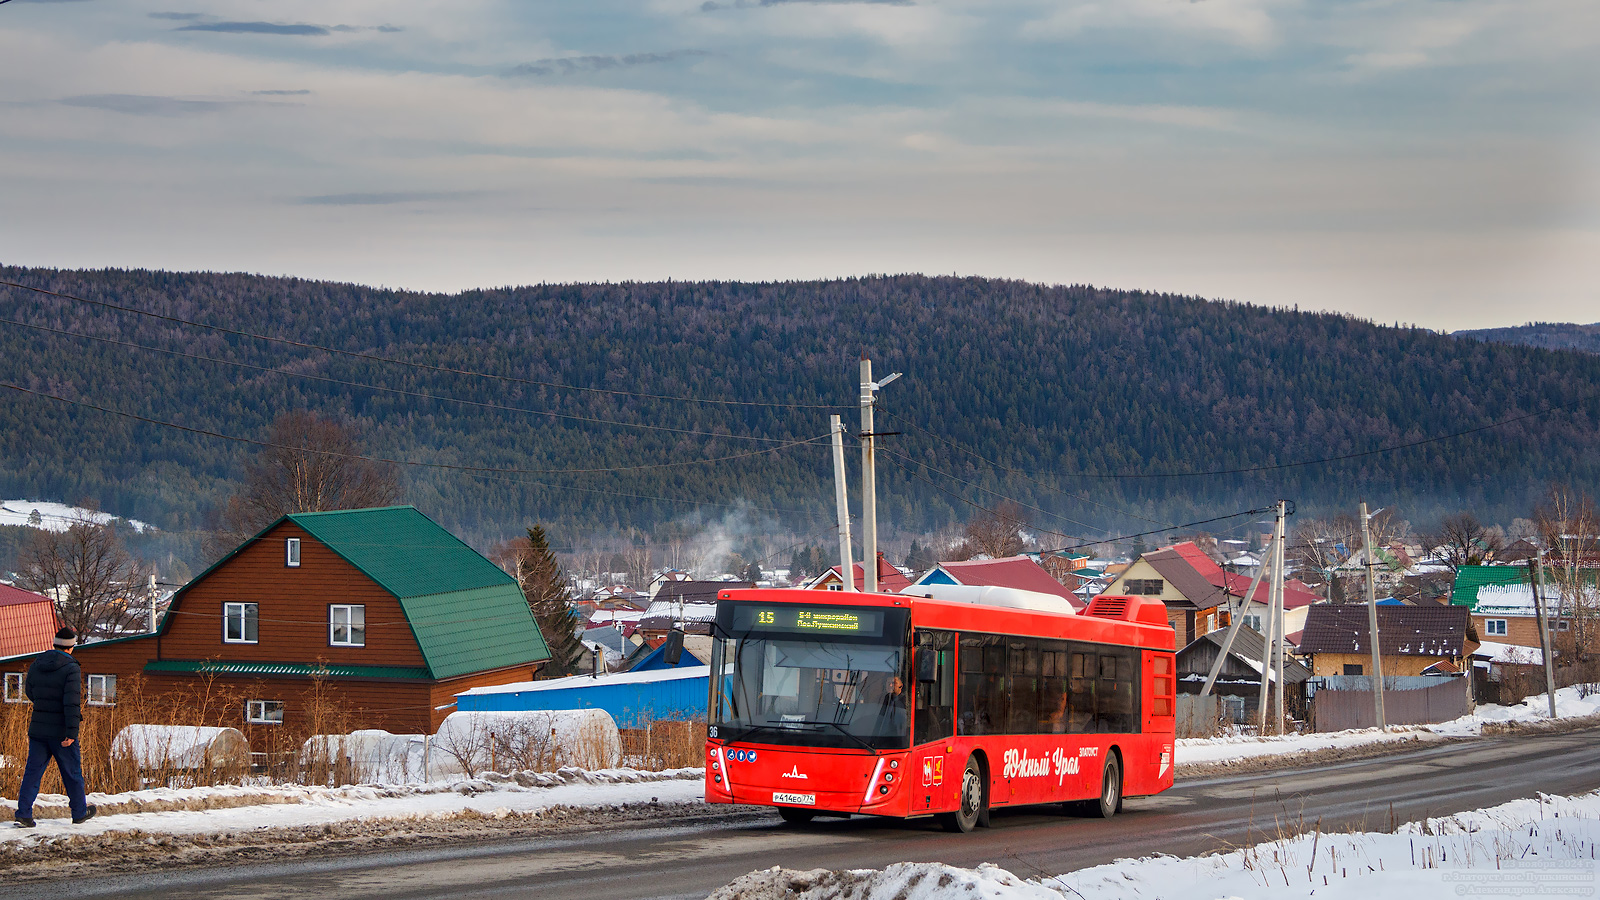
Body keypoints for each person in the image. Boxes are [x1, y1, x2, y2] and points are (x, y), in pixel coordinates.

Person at [13, 627, 96, 828]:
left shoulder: (37, 663)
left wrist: (44, 705)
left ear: (54, 644)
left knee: (32, 772)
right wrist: (71, 733)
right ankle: (79, 812)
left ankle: (24, 813)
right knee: (72, 772)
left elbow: (30, 692)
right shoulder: (71, 668)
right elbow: (72, 703)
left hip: (39, 729)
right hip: (61, 732)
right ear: (71, 647)